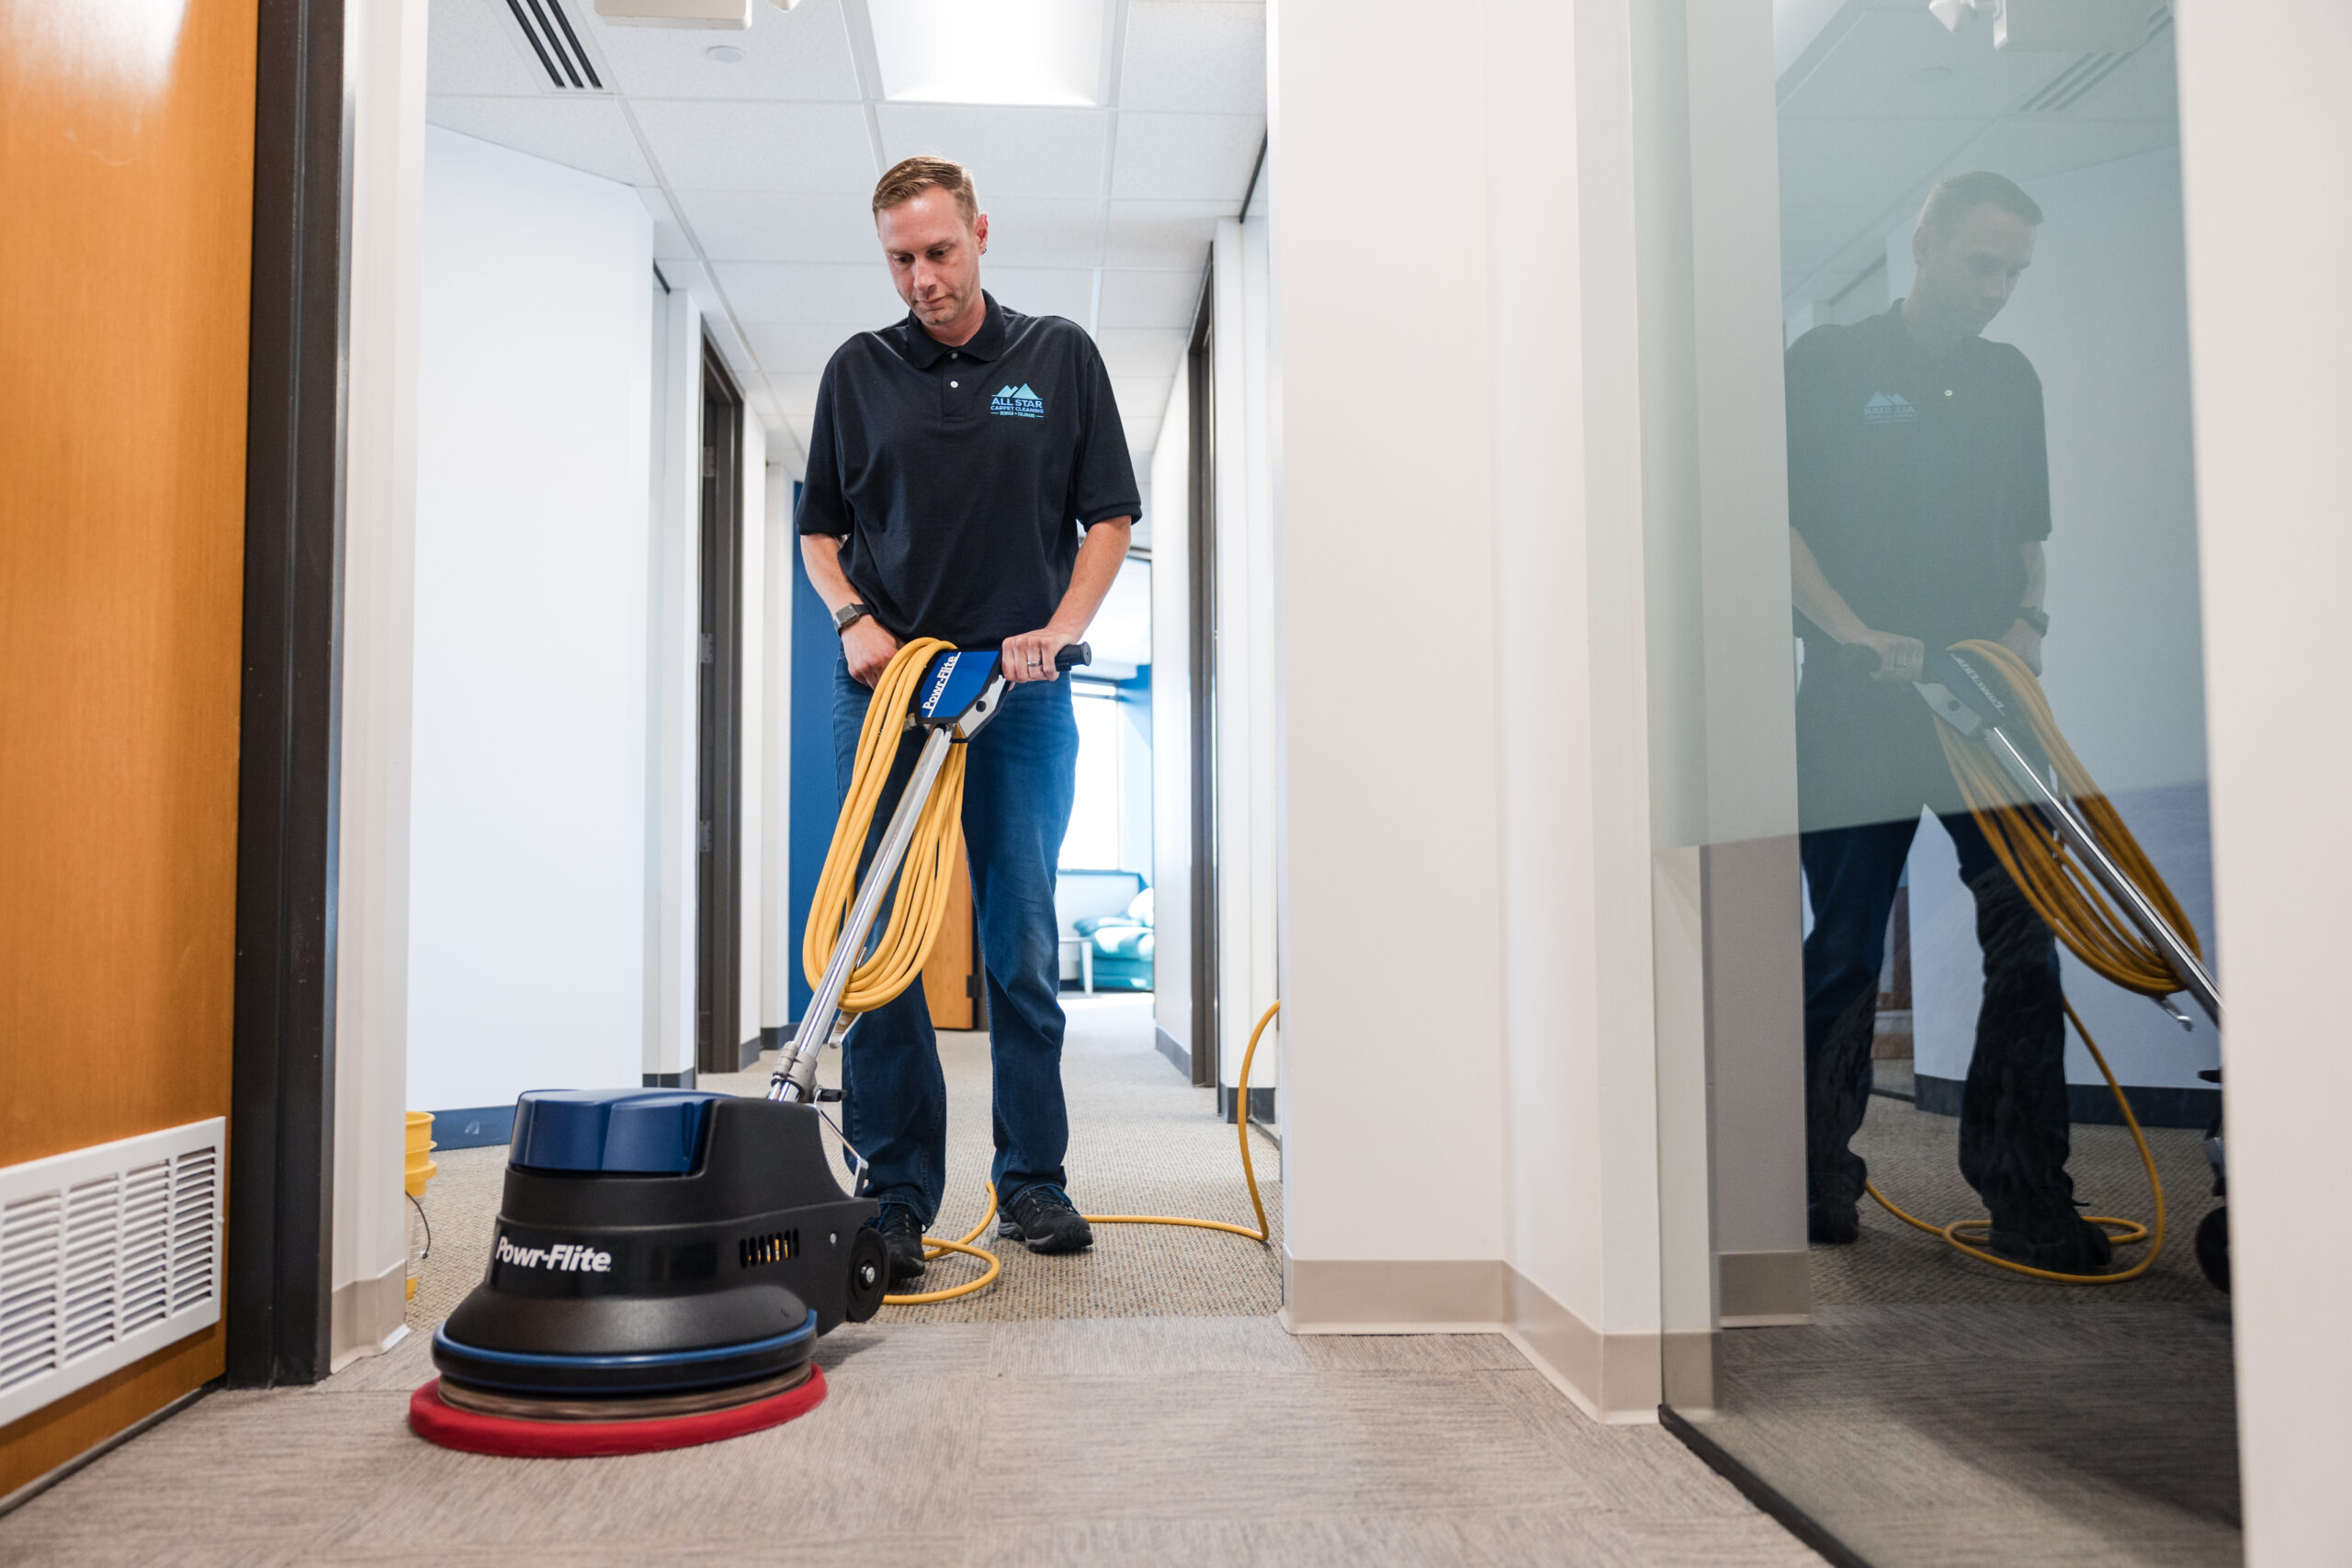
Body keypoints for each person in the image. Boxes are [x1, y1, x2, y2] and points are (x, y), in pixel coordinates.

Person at [796, 155, 1138, 1285]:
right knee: (879, 937)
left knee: (1020, 937)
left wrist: (1061, 627)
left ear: (980, 233)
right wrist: (851, 616)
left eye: (939, 252)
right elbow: (820, 532)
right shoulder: (857, 371)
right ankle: (894, 1196)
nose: (923, 279)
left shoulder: (1056, 357)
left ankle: (1031, 1181)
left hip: (1019, 689)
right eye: (901, 259)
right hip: (890, 685)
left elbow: (1107, 516)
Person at [1787, 170, 2109, 1271]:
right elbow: (1778, 527)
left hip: (1981, 706)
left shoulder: (2009, 381)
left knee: (2028, 936)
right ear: (1924, 243)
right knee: (1842, 948)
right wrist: (1850, 632)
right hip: (1857, 705)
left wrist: (2028, 625)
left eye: (2013, 273)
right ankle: (1810, 1179)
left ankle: (2029, 1195)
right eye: (1981, 264)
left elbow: (2029, 538)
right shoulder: (1828, 364)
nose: (1995, 290)